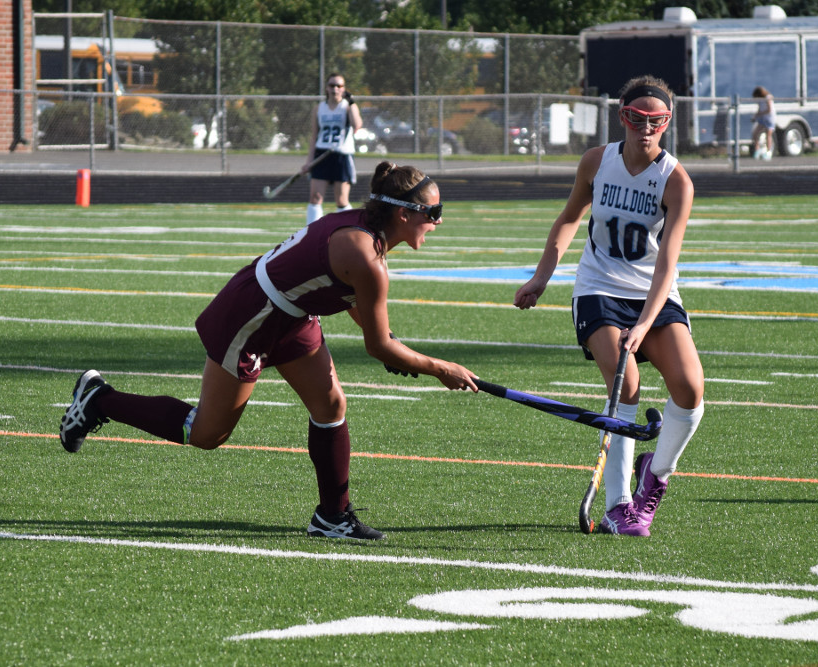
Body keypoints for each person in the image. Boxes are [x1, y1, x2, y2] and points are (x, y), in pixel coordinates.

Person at [59, 161, 479, 541]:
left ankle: (333, 516)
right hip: (252, 313)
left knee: (331, 405)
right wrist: (440, 368)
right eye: (434, 214)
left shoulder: (367, 237)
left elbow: (361, 315)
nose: (438, 223)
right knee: (207, 434)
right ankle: (100, 400)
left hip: (293, 315)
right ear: (404, 214)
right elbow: (378, 344)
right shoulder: (366, 255)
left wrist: (398, 354)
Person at [513, 75, 705, 537]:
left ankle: (653, 477)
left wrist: (643, 323)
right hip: (598, 287)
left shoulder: (676, 181)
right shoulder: (596, 162)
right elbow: (569, 219)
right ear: (622, 117)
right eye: (637, 119)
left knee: (691, 390)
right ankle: (619, 505)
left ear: (667, 122)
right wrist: (542, 277)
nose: (646, 128)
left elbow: (668, 266)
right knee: (628, 385)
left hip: (652, 293)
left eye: (655, 121)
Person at [302, 73, 363, 225]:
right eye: (332, 85)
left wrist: (352, 102)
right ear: (327, 88)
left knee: (341, 200)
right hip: (322, 153)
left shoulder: (347, 107)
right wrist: (309, 161)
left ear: (344, 89)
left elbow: (357, 125)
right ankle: (312, 234)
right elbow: (314, 136)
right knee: (315, 197)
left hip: (342, 155)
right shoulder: (319, 108)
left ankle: (347, 232)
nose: (335, 89)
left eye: (339, 86)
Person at [750, 86, 776, 160]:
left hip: (770, 119)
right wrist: (755, 116)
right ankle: (757, 150)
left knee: (768, 135)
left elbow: (769, 110)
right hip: (762, 119)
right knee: (755, 133)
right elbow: (759, 109)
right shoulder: (760, 100)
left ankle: (768, 152)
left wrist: (761, 113)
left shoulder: (768, 97)